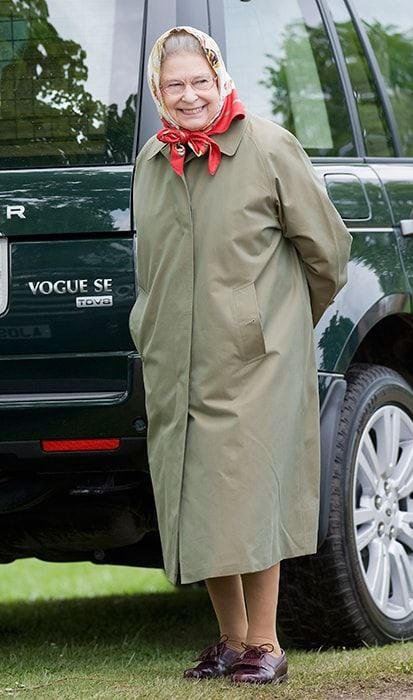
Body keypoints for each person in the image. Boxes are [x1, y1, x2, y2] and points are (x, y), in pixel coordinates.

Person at [129, 26, 352, 685]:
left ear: (219, 75)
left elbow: (329, 255)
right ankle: (229, 641)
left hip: (256, 361)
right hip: (177, 359)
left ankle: (266, 645)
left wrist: (281, 323)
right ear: (158, 93)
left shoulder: (267, 146)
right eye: (175, 85)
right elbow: (152, 267)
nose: (190, 95)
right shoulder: (151, 161)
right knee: (197, 497)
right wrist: (148, 324)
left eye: (200, 80)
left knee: (249, 495)